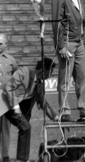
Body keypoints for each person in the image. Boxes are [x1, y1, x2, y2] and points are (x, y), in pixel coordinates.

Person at [3, 57, 59, 162]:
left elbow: (43, 103)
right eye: (50, 71)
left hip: (18, 110)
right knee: (26, 127)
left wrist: (56, 117)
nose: (50, 75)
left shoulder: (40, 84)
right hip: (7, 105)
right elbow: (8, 87)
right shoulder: (24, 72)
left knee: (25, 127)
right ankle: (22, 159)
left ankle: (22, 158)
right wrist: (16, 108)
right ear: (44, 70)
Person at [0, 33, 17, 162]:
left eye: (0, 43)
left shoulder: (11, 60)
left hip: (6, 98)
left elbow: (15, 77)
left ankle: (5, 156)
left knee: (6, 128)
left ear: (6, 45)